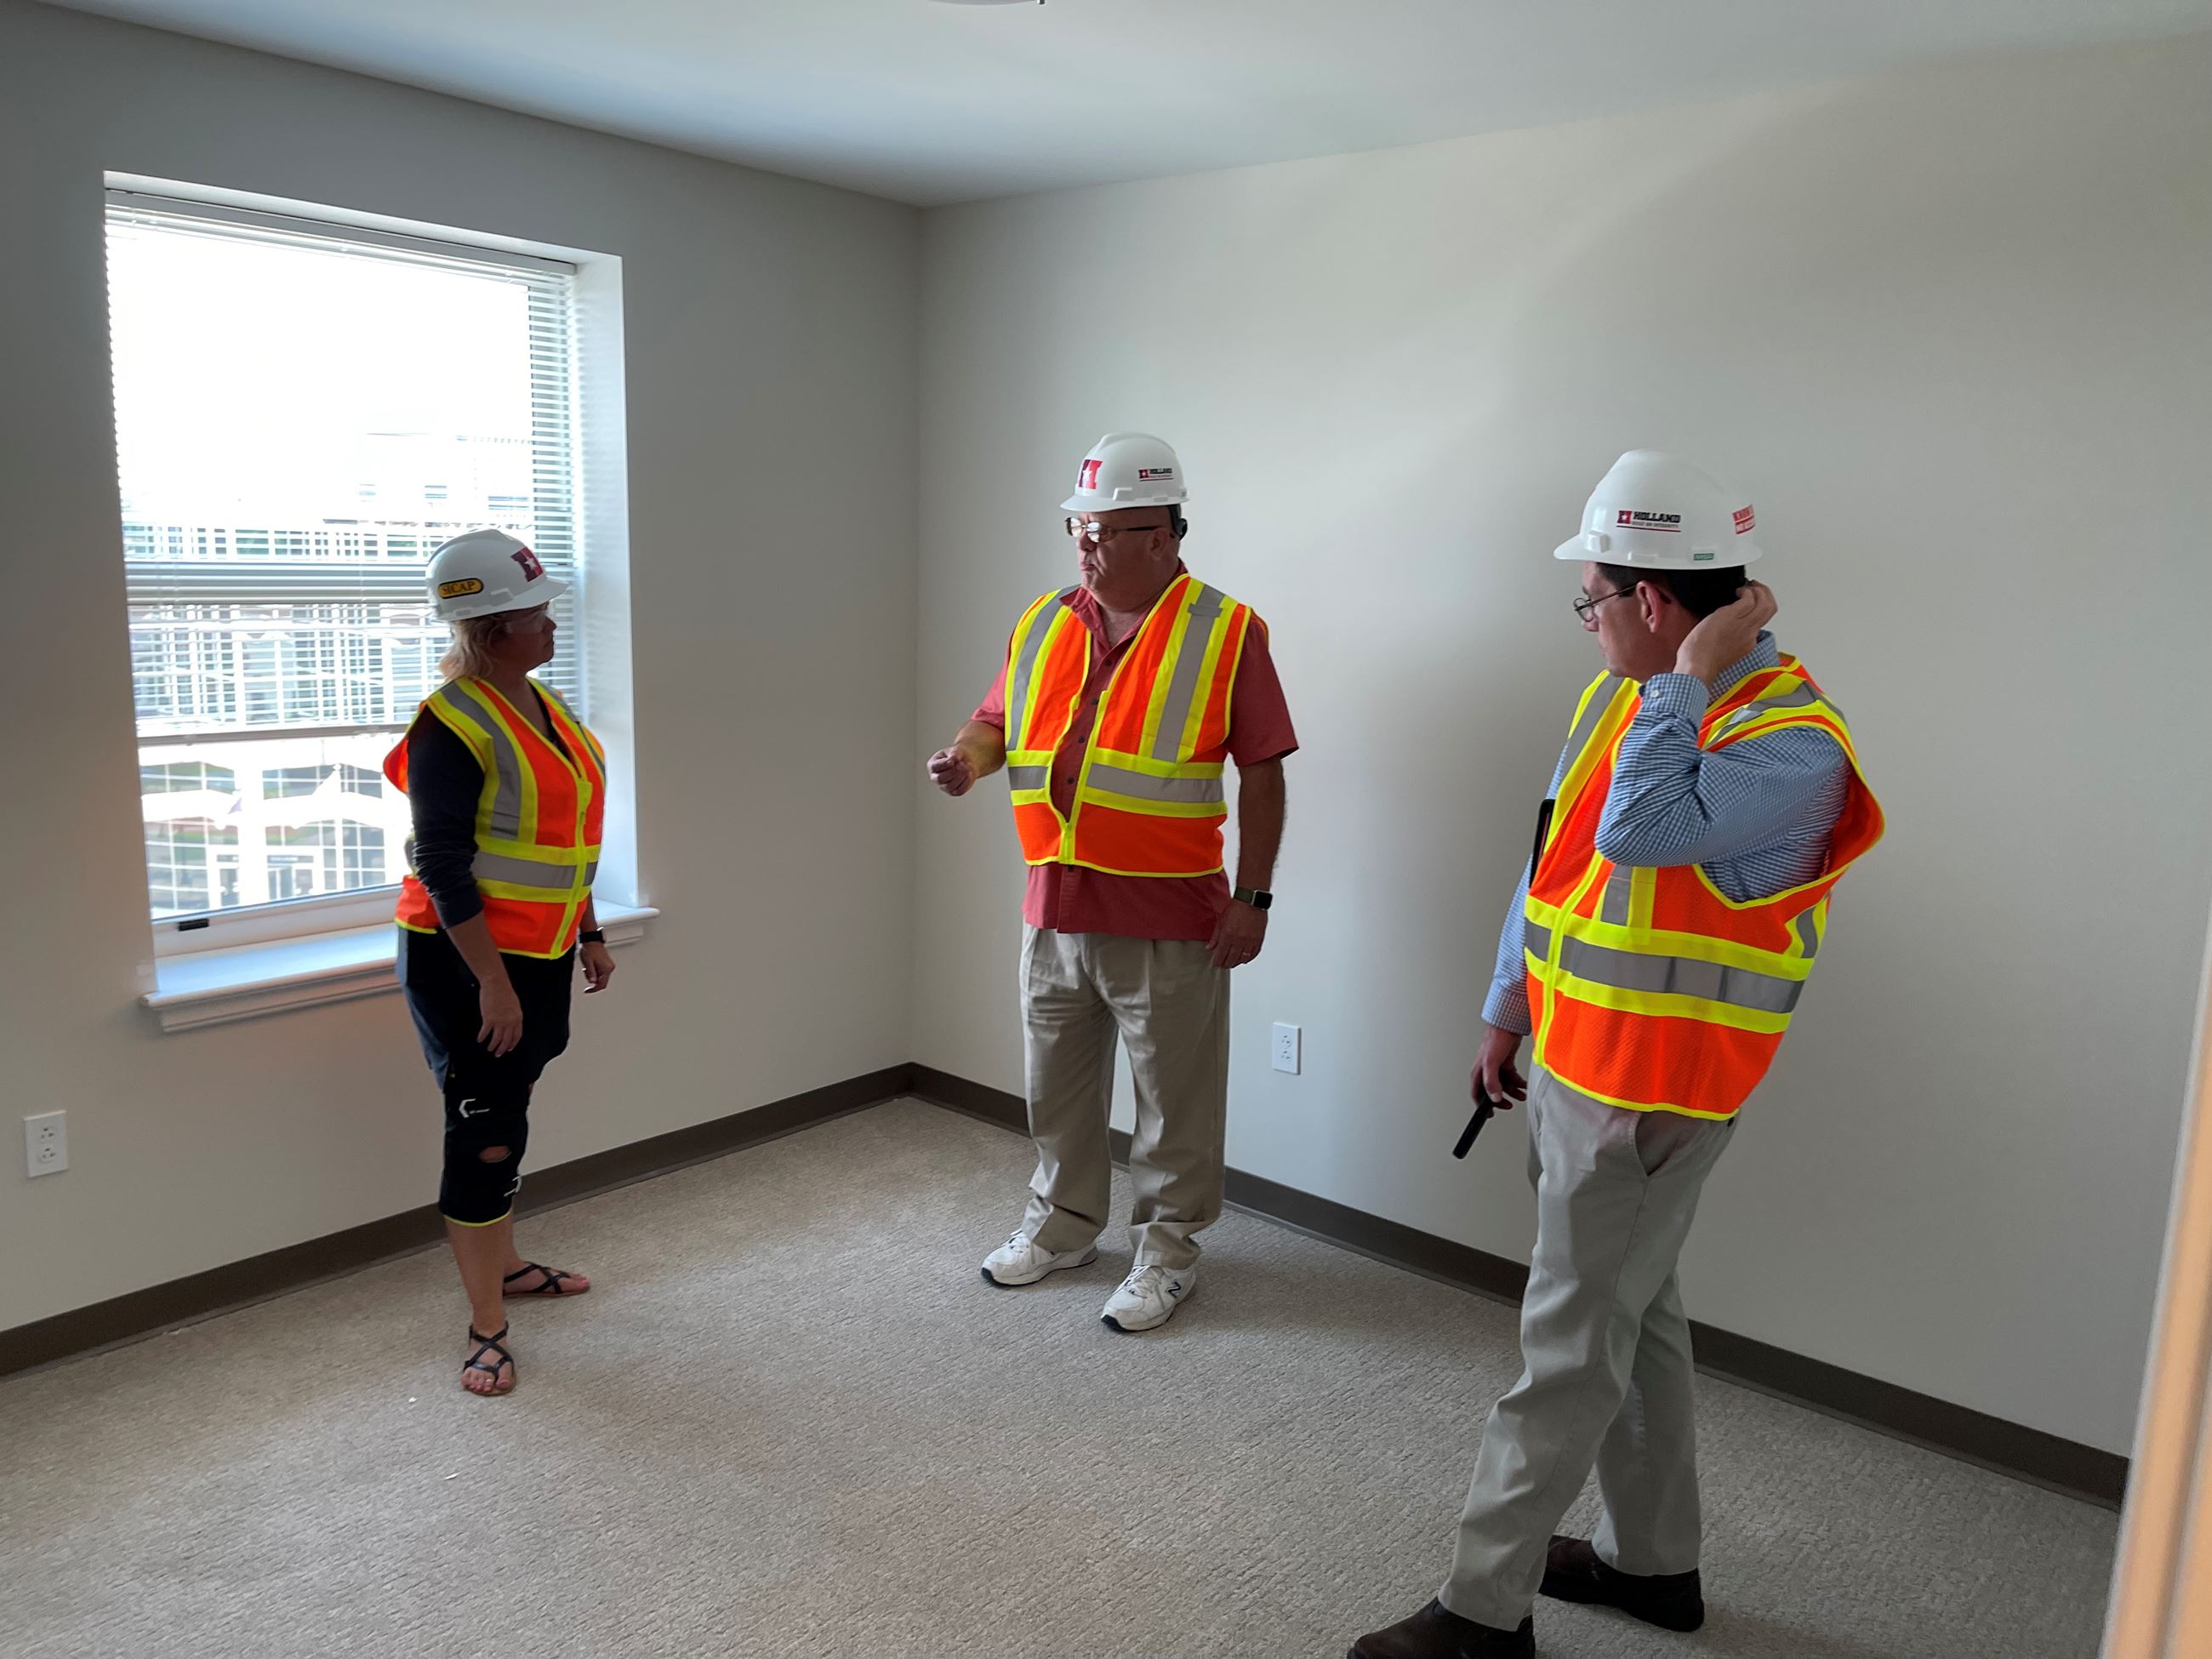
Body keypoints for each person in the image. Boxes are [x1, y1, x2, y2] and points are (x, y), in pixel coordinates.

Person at [1350, 453, 1884, 1657]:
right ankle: (1657, 1565)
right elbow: (1557, 868)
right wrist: (1506, 1007)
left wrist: (1690, 679)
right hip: (1578, 1070)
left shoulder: (1790, 743)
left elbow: (1644, 834)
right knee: (1635, 1319)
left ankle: (1480, 1616)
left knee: (1567, 1343)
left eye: (1592, 600)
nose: (1587, 624)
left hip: (1657, 1095)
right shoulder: (1620, 702)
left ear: (1653, 605)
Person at [926, 433, 1297, 1332]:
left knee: (1173, 1102)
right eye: (1077, 526)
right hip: (1054, 906)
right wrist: (967, 761)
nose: (1084, 545)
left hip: (1169, 913)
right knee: (1055, 1086)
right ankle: (1063, 1227)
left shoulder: (1226, 630)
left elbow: (1262, 772)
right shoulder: (1045, 619)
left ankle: (1168, 1252)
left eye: (1103, 530)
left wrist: (1251, 899)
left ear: (1164, 535)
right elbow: (994, 720)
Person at [383, 529, 618, 1398]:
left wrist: (587, 931)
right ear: (488, 627)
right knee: (482, 1135)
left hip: (539, 951)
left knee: (509, 1111)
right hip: (466, 961)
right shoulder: (449, 725)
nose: (550, 623)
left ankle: (507, 1261)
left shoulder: (543, 707)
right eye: (534, 613)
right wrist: (491, 982)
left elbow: (564, 836)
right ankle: (487, 1324)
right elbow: (441, 863)